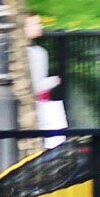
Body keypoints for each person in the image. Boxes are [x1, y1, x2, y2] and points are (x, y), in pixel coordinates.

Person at [24, 14, 68, 148]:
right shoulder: (37, 53)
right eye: (34, 24)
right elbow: (36, 85)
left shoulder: (37, 52)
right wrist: (53, 81)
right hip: (41, 104)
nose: (40, 26)